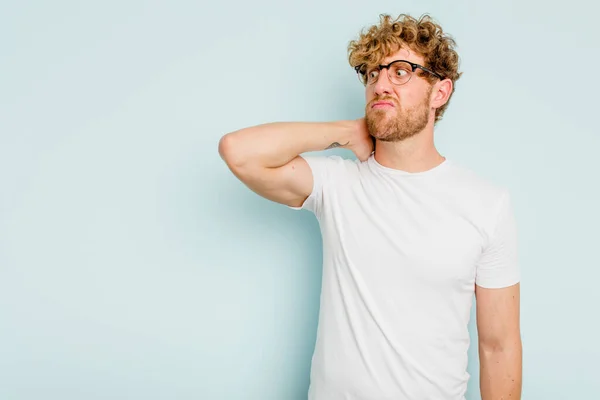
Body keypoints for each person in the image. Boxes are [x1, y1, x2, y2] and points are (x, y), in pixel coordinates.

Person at [218, 13, 522, 400]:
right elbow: (237, 151)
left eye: (400, 71)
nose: (380, 84)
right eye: (372, 73)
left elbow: (499, 347)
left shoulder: (487, 204)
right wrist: (346, 132)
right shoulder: (337, 184)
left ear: (440, 93)